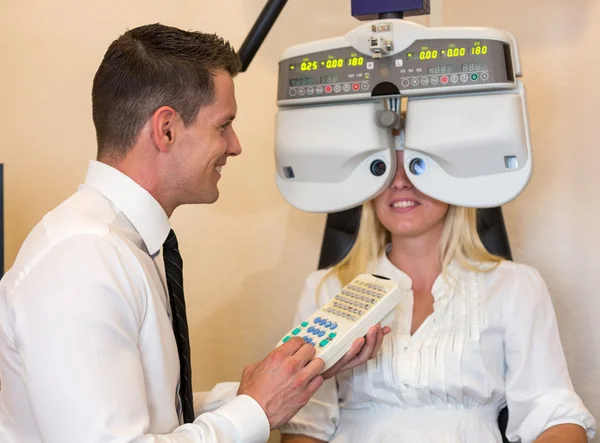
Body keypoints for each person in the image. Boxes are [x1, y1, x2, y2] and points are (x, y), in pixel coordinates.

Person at [0, 24, 390, 443]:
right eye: (223, 126)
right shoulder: (81, 262)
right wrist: (255, 409)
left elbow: (157, 413)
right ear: (166, 129)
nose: (235, 145)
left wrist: (281, 383)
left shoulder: (125, 245)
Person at [280, 150, 596, 443]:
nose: (400, 182)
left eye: (419, 166)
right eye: (385, 170)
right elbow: (305, 424)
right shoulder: (325, 289)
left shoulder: (514, 286)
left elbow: (552, 413)